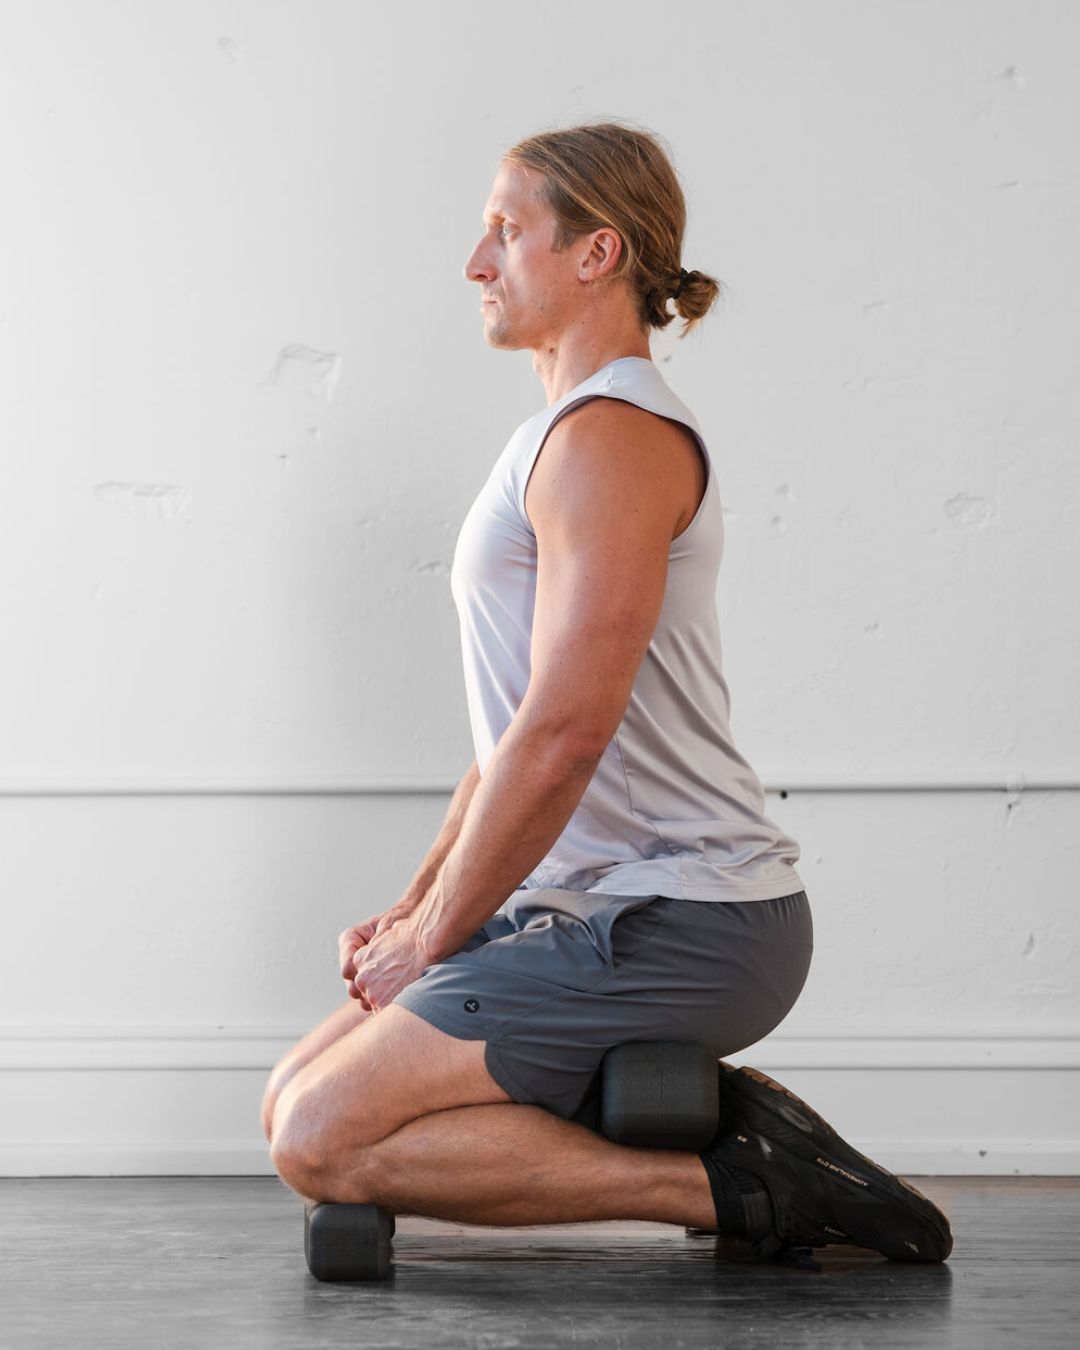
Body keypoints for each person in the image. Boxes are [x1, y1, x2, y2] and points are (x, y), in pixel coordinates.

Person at [262, 120, 952, 1266]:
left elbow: (566, 735)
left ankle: (745, 1187)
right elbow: (519, 729)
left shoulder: (614, 440)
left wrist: (435, 939)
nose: (476, 263)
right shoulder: (560, 436)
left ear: (597, 253)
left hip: (683, 917)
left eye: (506, 231)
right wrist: (417, 906)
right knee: (290, 1098)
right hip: (592, 906)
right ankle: (700, 1131)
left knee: (320, 1138)